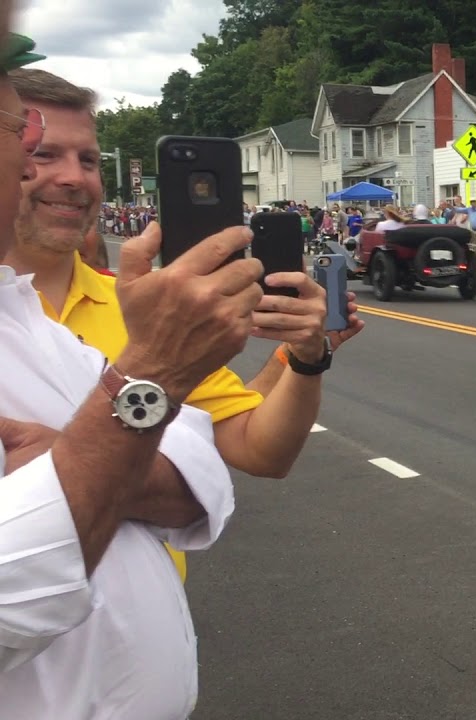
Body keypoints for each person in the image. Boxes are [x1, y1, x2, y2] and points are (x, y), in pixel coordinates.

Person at [5, 67, 365, 581]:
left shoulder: (149, 308)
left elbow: (259, 448)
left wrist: (306, 357)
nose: (73, 177)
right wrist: (166, 485)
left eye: (87, 159)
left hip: (142, 653)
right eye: (45, 154)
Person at [0, 29, 256, 716]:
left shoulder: (21, 320)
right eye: (23, 141)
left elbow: (202, 484)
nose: (50, 172)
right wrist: (151, 377)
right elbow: (10, 595)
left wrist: (73, 459)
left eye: (86, 156)